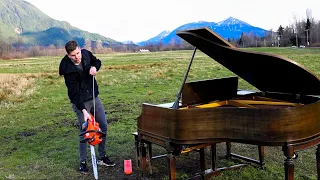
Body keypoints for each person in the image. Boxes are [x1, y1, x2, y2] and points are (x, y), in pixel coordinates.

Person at [59, 40, 115, 174]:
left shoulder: (86, 54)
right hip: (80, 102)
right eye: (73, 55)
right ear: (68, 55)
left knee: (103, 125)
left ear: (80, 49)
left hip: (94, 97)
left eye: (77, 53)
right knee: (86, 131)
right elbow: (74, 93)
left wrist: (95, 67)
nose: (77, 57)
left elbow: (97, 61)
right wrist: (83, 110)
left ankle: (102, 157)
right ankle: (83, 162)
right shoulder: (67, 69)